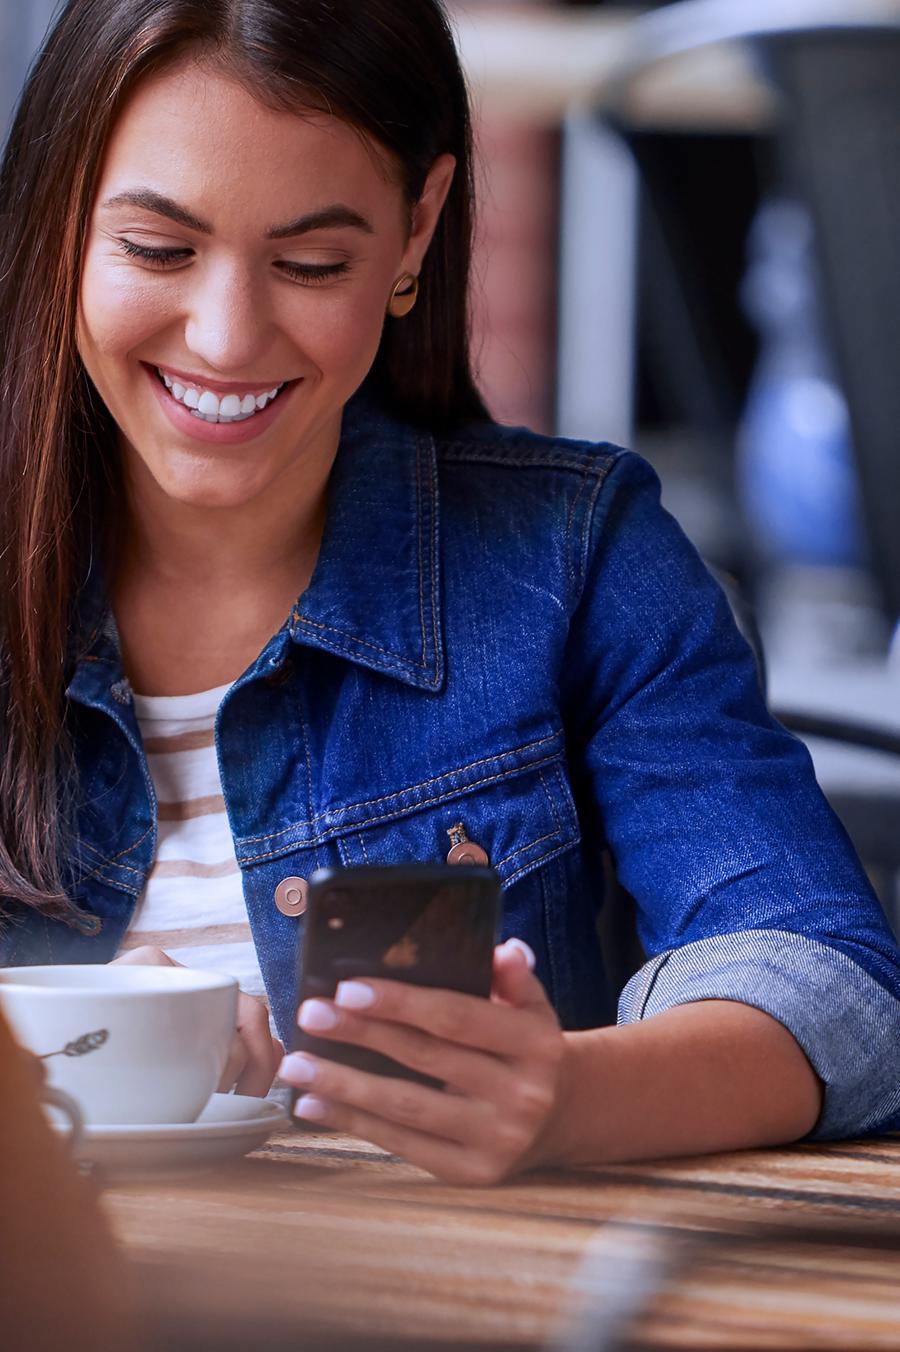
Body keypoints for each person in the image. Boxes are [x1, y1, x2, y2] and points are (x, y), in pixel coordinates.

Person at [0, 0, 898, 1186]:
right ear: (59, 215)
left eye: (312, 262)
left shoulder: (572, 558)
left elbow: (832, 983)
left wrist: (568, 1094)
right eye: (158, 249)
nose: (225, 335)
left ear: (417, 227)